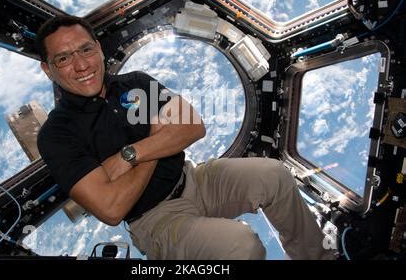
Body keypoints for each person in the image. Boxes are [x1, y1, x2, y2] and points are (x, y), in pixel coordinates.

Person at [36, 15, 335, 260]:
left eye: (86, 50)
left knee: (273, 174)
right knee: (242, 245)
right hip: (155, 220)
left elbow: (192, 126)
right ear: (48, 69)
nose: (81, 65)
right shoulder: (56, 135)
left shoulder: (135, 82)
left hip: (195, 179)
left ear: (99, 48)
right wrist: (156, 138)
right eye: (63, 58)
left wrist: (129, 155)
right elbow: (112, 208)